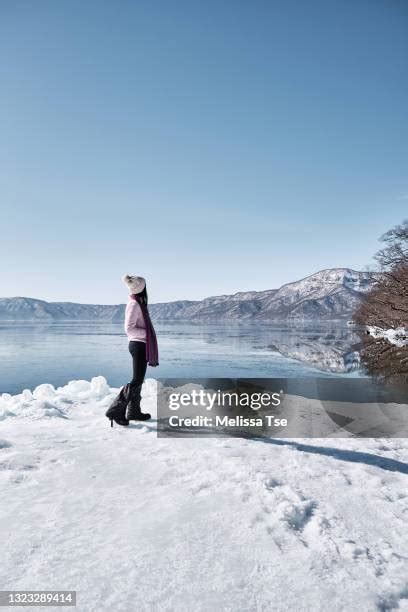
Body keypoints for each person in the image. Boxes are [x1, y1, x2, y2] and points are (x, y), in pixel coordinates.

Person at [106, 275, 159, 427]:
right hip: (138, 345)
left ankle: (134, 411)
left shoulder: (139, 303)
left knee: (139, 380)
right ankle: (115, 411)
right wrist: (147, 334)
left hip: (141, 345)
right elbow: (129, 328)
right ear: (142, 288)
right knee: (136, 380)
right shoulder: (134, 304)